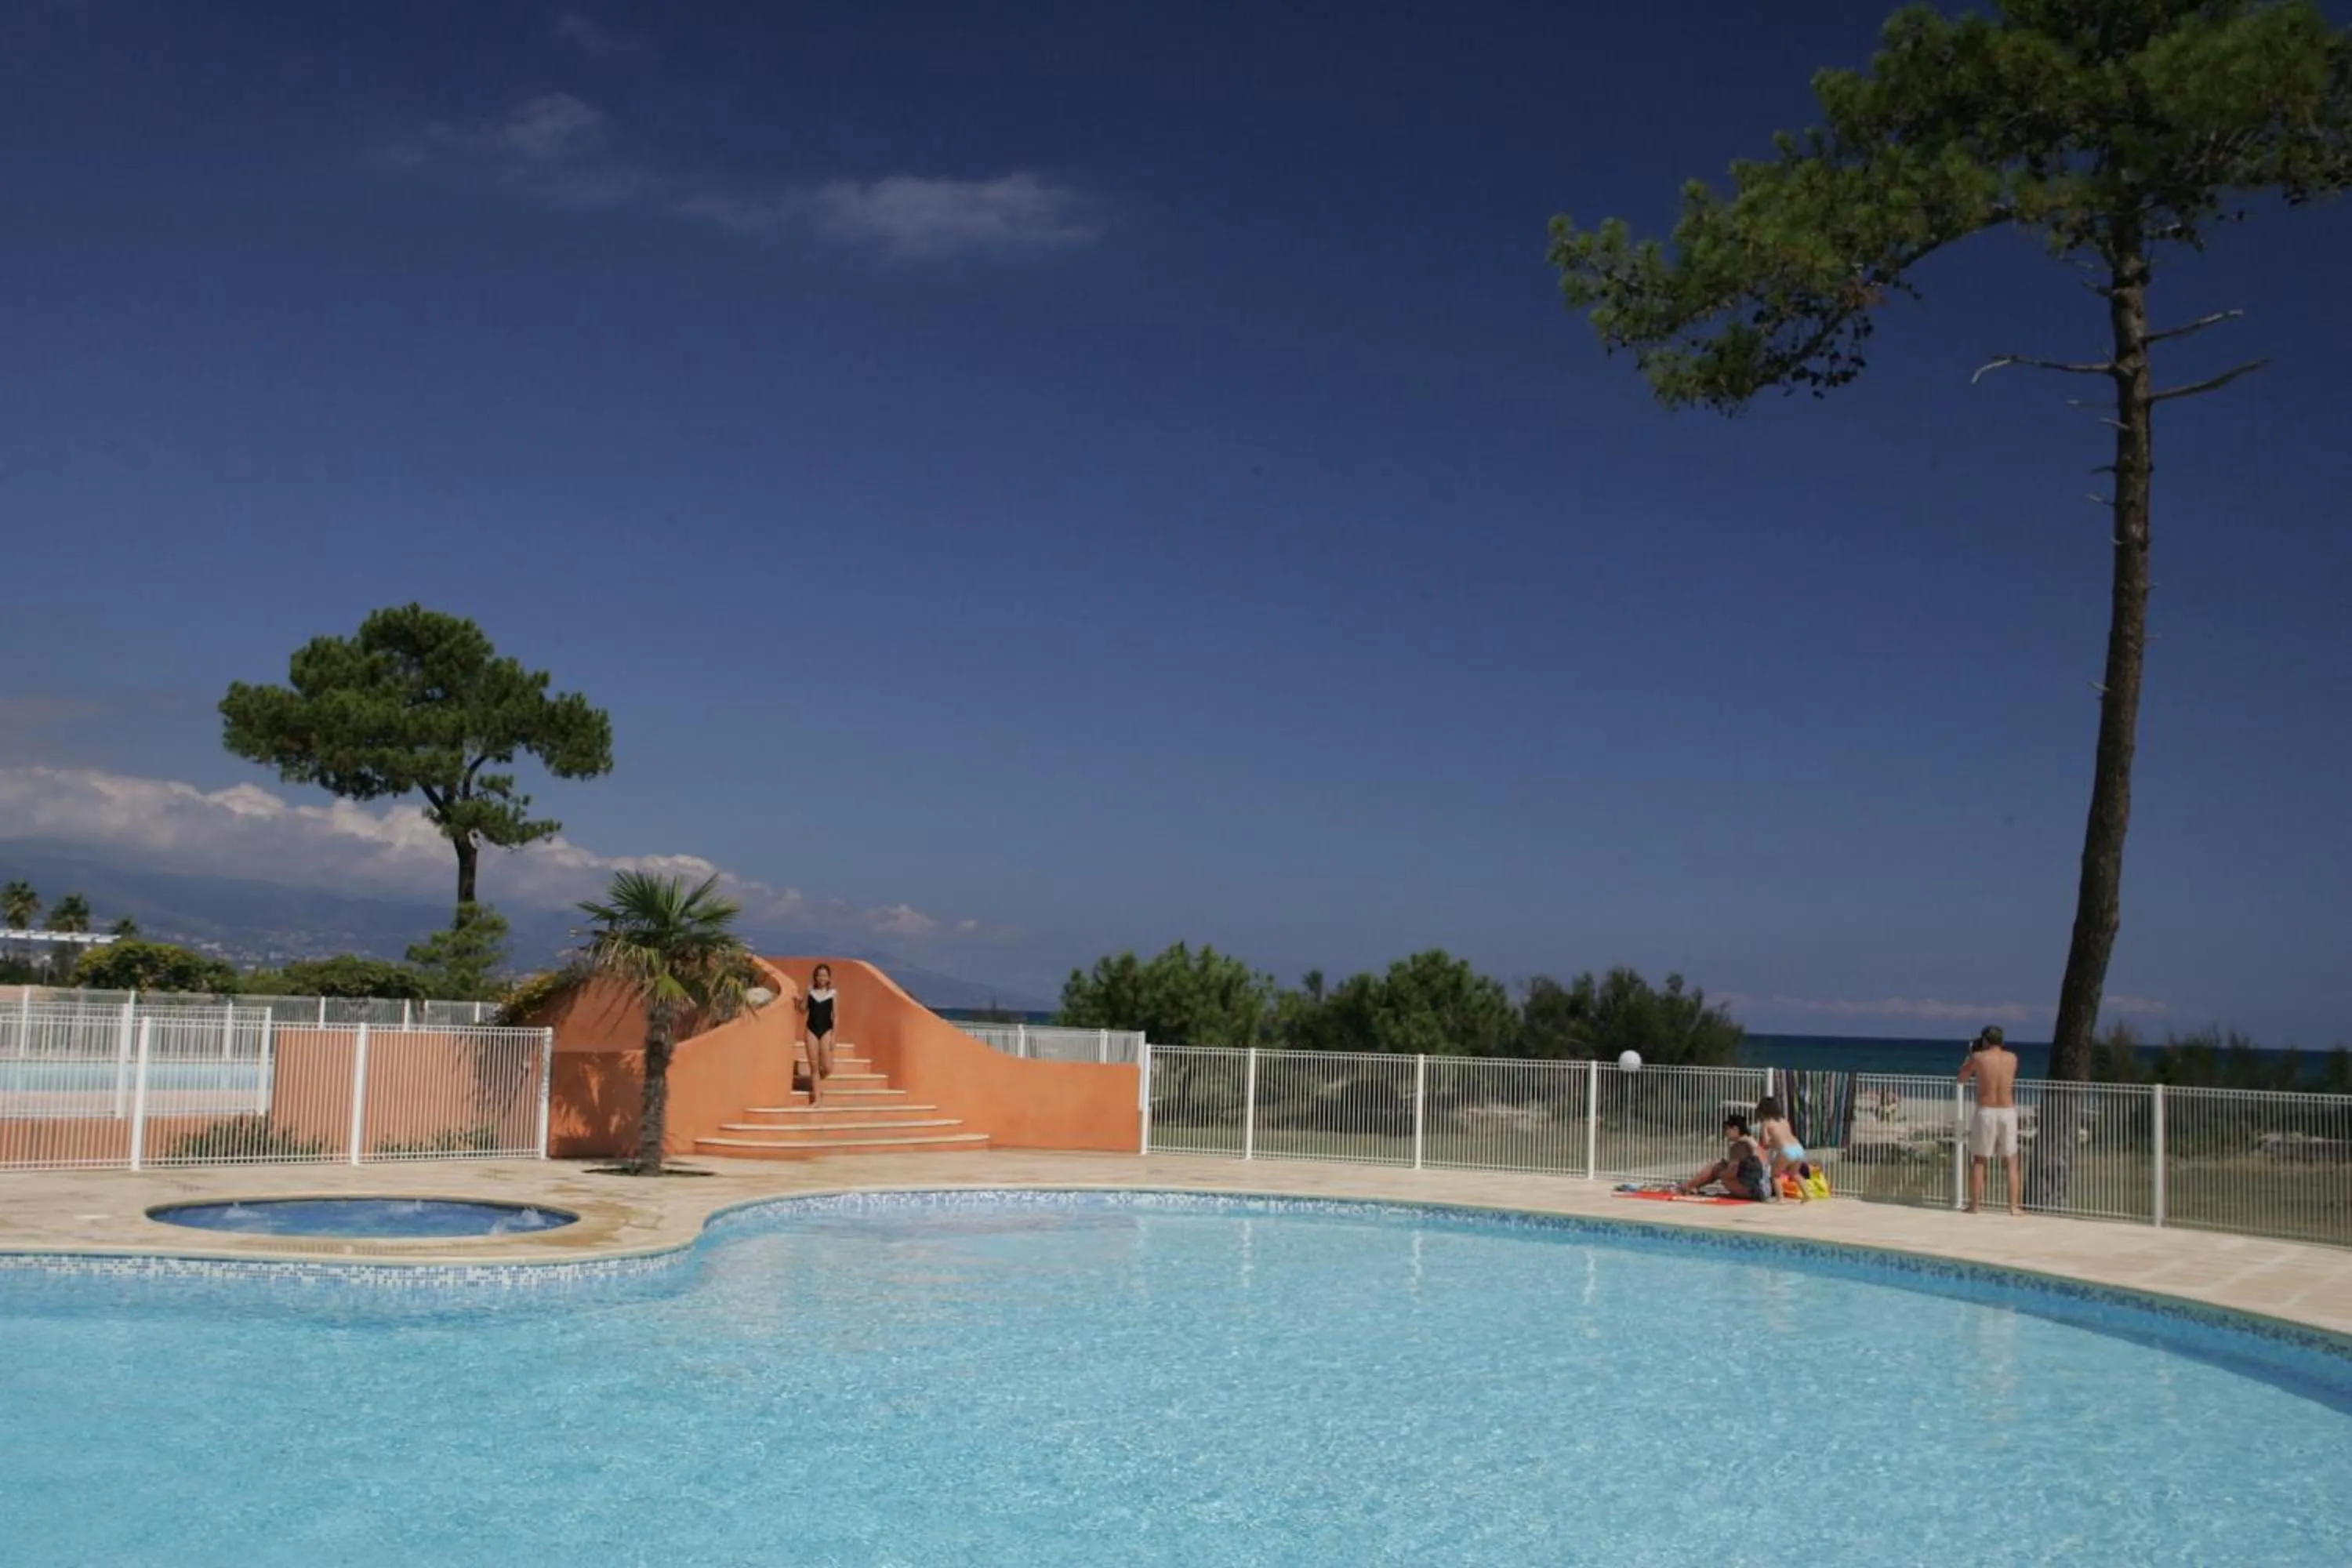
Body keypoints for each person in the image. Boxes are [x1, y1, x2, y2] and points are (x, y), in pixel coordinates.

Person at [1958, 1025, 2022, 1215]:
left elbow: (1961, 1077)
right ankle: (2014, 1206)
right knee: (2011, 1160)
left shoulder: (1978, 1058)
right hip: (2008, 1111)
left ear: (1985, 1040)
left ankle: (1975, 1205)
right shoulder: (2012, 1058)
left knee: (1979, 1159)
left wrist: (1970, 1054)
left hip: (1986, 1110)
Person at [1676, 1115, 1772, 1200]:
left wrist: (1718, 1174)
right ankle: (1692, 1187)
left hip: (1754, 1191)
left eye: (1727, 1129)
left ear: (1735, 1129)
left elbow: (1732, 1172)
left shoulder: (1739, 1145)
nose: (1725, 1132)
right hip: (1764, 1189)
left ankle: (1686, 1186)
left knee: (1716, 1167)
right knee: (1720, 1165)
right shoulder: (1753, 1142)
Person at [1753, 1095, 1810, 1200]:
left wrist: (1771, 1144)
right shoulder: (1784, 1121)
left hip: (1786, 1150)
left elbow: (1765, 1143)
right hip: (1798, 1148)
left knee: (1775, 1175)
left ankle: (1781, 1199)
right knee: (1795, 1173)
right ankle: (1807, 1195)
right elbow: (1787, 1135)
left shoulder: (1765, 1124)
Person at [797, 964, 839, 1108]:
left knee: (827, 1068)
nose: (822, 978)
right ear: (815, 977)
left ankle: (816, 1084)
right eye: (819, 975)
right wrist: (805, 994)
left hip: (826, 1030)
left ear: (829, 978)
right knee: (814, 1067)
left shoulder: (833, 993)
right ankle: (817, 1099)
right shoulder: (811, 992)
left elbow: (836, 1016)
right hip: (811, 1030)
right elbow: (802, 1010)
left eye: (825, 975)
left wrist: (834, 1036)